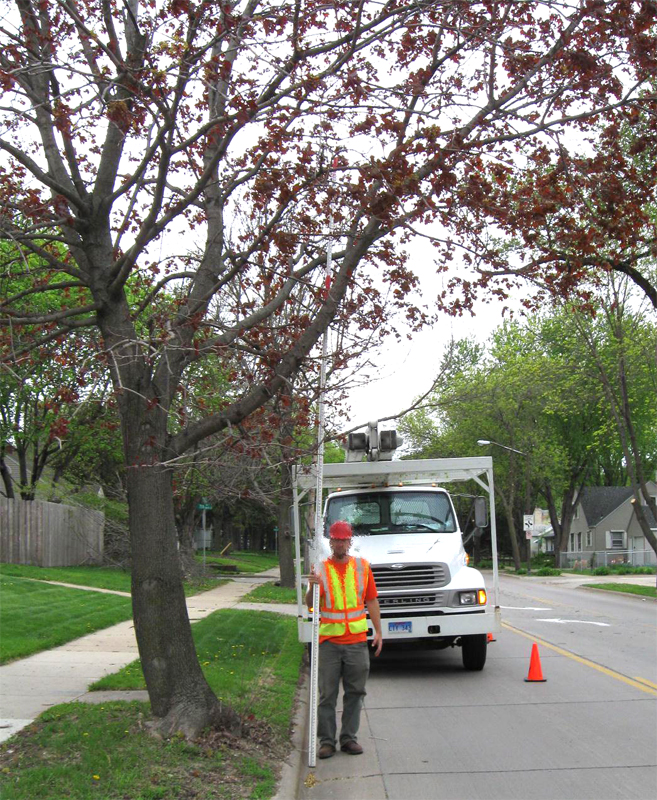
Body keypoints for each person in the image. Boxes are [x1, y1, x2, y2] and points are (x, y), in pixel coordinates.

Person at [305, 520, 383, 759]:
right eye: (336, 539)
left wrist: (378, 632)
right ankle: (326, 742)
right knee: (327, 695)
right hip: (329, 643)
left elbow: (371, 601)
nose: (340, 543)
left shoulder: (362, 567)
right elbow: (310, 606)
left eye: (344, 539)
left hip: (357, 642)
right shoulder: (319, 569)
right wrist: (311, 587)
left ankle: (349, 739)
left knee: (355, 692)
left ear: (350, 541)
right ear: (331, 541)